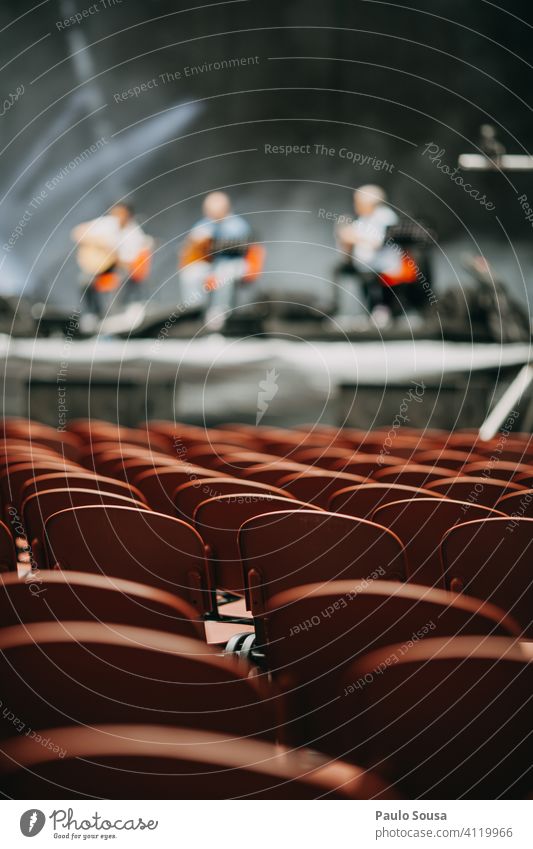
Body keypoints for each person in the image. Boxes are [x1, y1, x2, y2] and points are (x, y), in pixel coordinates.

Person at [178, 192, 263, 331]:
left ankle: (219, 314)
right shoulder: (202, 225)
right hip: (211, 266)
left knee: (224, 273)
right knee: (191, 273)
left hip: (235, 265)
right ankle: (193, 312)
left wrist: (211, 245)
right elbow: (192, 249)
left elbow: (241, 248)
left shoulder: (237, 225)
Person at [71, 202, 154, 322]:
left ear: (129, 215)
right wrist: (100, 244)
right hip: (101, 267)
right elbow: (77, 232)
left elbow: (131, 262)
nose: (117, 217)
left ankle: (115, 314)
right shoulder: (106, 224)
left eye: (121, 214)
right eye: (115, 213)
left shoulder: (135, 233)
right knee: (84, 280)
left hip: (120, 268)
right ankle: (93, 314)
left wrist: (116, 257)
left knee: (122, 278)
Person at [335, 185, 400, 325]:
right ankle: (340, 310)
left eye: (358, 202)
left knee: (371, 281)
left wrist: (353, 237)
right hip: (365, 265)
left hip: (382, 266)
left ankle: (381, 311)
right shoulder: (363, 219)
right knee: (338, 269)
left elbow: (378, 242)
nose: (355, 205)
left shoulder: (384, 216)